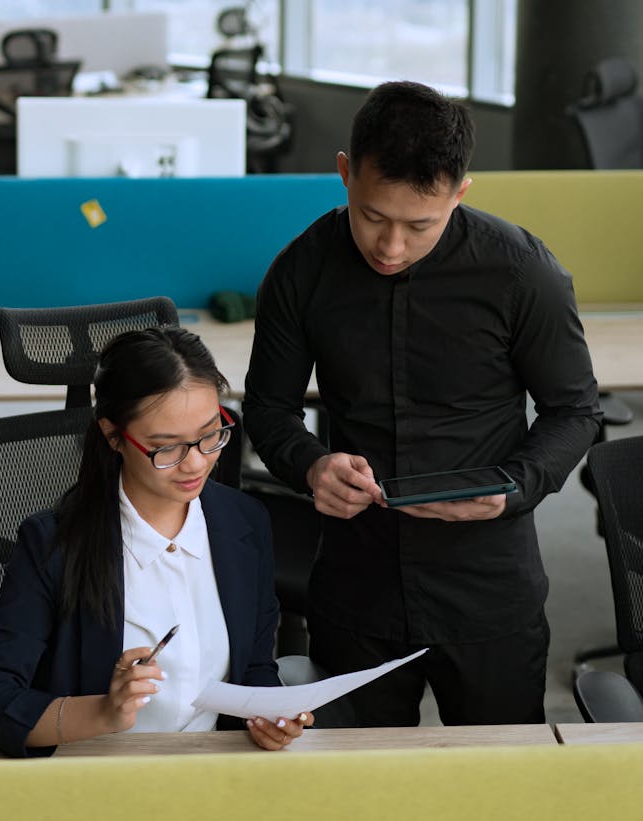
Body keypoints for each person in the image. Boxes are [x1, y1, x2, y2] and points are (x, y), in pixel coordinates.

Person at [243, 80, 601, 727]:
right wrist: (312, 465)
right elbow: (269, 407)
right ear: (346, 174)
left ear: (460, 192)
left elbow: (574, 411)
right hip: (358, 580)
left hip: (487, 583)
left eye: (420, 224)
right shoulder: (302, 270)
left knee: (498, 784)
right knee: (362, 784)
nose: (391, 245)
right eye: (374, 216)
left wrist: (516, 485)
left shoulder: (522, 272)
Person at [0, 327, 313, 757]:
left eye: (210, 433)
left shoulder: (243, 522)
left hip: (213, 776)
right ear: (112, 436)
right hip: (95, 782)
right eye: (167, 449)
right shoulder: (54, 544)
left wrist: (268, 716)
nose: (197, 462)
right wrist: (103, 712)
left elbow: (254, 668)